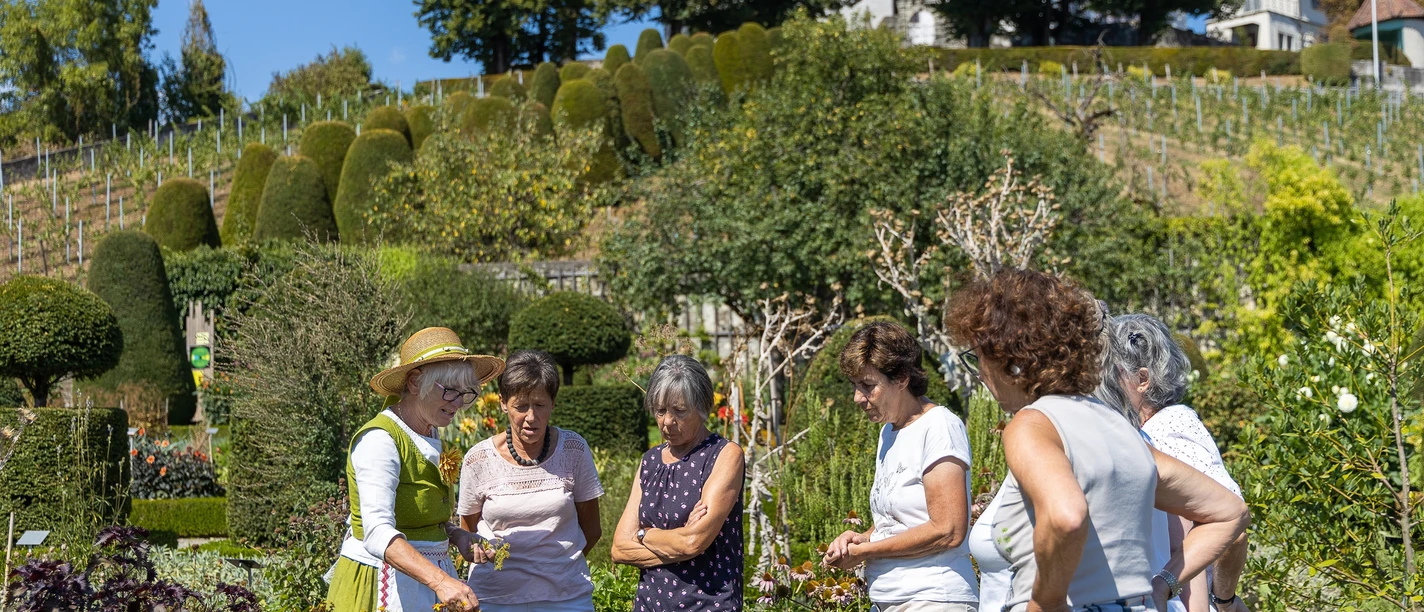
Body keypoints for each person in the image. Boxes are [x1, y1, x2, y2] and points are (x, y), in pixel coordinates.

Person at [944, 269, 1249, 612]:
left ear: (1011, 359)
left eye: (979, 357)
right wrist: (1164, 586)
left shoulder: (1033, 425)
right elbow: (1230, 512)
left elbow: (1066, 516)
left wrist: (1047, 601)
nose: (981, 373)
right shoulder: (1119, 428)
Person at [328, 327, 504, 612]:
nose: (458, 403)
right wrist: (441, 581)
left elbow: (419, 513)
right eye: (449, 391)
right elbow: (376, 532)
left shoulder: (428, 429)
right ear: (414, 383)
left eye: (465, 393)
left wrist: (456, 535)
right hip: (383, 583)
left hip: (428, 580)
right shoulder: (380, 440)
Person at [1096, 314, 1251, 612]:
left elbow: (1233, 530)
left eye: (1111, 373)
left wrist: (1224, 601)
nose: (1101, 383)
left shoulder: (1169, 426)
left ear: (1142, 380)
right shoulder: (1139, 432)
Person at [823, 321, 979, 612]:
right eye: (855, 386)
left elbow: (949, 529)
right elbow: (901, 521)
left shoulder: (939, 427)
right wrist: (861, 537)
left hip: (934, 598)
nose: (858, 398)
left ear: (902, 378)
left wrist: (866, 551)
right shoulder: (889, 431)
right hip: (890, 599)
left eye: (868, 386)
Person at [457, 349, 605, 612]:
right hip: (495, 599)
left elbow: (592, 529)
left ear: (553, 403)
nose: (531, 417)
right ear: (503, 403)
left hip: (566, 599)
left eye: (540, 405)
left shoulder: (573, 450)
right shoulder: (478, 459)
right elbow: (467, 533)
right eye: (521, 406)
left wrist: (557, 568)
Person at [611, 355, 745, 611]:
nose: (667, 421)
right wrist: (677, 542)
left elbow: (693, 541)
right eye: (660, 411)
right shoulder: (650, 461)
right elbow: (619, 548)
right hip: (649, 604)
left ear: (703, 407)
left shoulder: (724, 455)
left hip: (708, 604)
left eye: (679, 411)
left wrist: (644, 534)